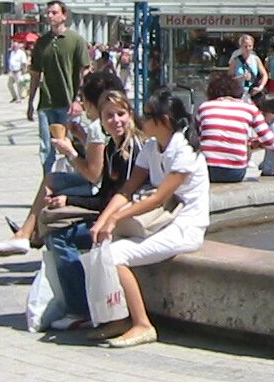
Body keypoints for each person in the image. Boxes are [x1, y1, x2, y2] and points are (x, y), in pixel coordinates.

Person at [87, 88, 212, 348]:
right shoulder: (152, 146)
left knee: (114, 255)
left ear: (163, 121)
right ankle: (118, 317)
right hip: (160, 222)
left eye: (146, 116)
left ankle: (142, 324)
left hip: (184, 226)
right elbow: (127, 189)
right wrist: (104, 219)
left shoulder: (185, 151)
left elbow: (157, 198)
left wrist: (115, 219)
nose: (140, 121)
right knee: (102, 245)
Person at [0, 71, 122, 256]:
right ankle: (27, 234)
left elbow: (94, 173)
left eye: (83, 100)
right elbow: (103, 158)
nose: (82, 106)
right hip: (110, 185)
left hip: (100, 190)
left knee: (52, 183)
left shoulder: (97, 127)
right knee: (51, 179)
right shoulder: (107, 124)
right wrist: (82, 138)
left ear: (92, 103)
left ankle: (29, 235)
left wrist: (70, 152)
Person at [42, 88, 145, 324]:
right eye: (109, 116)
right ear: (100, 119)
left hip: (124, 221)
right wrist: (68, 201)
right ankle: (80, 303)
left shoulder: (132, 149)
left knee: (60, 238)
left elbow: (122, 195)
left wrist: (70, 153)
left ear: (130, 114)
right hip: (110, 214)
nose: (116, 121)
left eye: (120, 114)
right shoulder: (112, 148)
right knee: (54, 228)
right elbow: (104, 195)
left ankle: (81, 309)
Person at [27, 0, 91, 176]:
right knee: (46, 148)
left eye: (54, 13)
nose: (50, 16)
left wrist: (79, 100)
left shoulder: (76, 40)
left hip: (68, 103)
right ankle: (48, 184)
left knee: (70, 145)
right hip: (46, 103)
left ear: (64, 15)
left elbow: (84, 72)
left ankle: (73, 179)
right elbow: (35, 74)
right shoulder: (42, 42)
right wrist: (31, 101)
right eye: (48, 13)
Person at [198, 71, 274, 183]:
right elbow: (269, 140)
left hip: (207, 169)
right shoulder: (249, 108)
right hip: (235, 171)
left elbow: (198, 137)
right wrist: (251, 144)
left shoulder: (204, 107)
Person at [228, 33, 268, 100]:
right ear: (241, 47)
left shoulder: (256, 59)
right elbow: (229, 79)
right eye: (245, 46)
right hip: (239, 93)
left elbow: (264, 75)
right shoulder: (235, 60)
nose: (248, 49)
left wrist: (260, 87)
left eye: (250, 46)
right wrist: (241, 78)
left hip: (252, 93)